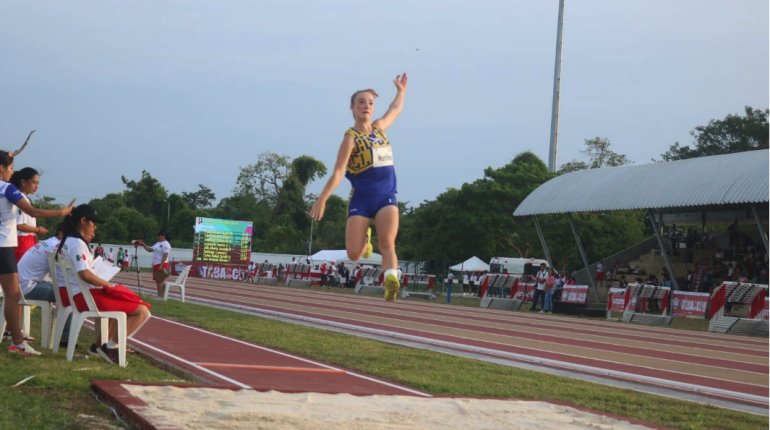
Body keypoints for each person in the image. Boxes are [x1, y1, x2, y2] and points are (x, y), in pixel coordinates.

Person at [310, 73, 409, 302]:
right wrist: (322, 198)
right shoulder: (350, 138)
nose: (366, 106)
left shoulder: (380, 128)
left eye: (370, 103)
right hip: (362, 200)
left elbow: (395, 110)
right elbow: (338, 172)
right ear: (352, 108)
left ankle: (391, 280)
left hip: (386, 196)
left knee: (387, 242)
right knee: (353, 254)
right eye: (361, 102)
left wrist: (401, 92)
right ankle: (365, 242)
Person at [55, 204, 151, 364]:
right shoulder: (77, 244)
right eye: (93, 223)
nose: (95, 228)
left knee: (119, 305)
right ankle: (111, 347)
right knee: (142, 310)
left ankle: (98, 346)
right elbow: (84, 274)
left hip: (69, 293)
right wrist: (107, 285)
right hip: (81, 295)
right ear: (83, 221)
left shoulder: (66, 241)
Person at [0, 151, 73, 355]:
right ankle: (16, 342)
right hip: (4, 247)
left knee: (11, 295)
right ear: (1, 168)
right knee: (13, 295)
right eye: (11, 168)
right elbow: (32, 212)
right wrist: (61, 212)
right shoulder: (8, 189)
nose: (12, 172)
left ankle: (16, 339)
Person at [17, 224, 72, 345]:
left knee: (65, 292)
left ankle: (63, 335)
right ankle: (65, 337)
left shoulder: (48, 243)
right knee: (69, 294)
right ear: (60, 234)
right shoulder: (55, 246)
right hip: (28, 287)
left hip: (21, 284)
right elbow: (61, 275)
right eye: (70, 237)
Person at [11, 167, 48, 261]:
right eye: (34, 182)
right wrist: (38, 230)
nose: (36, 186)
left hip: (28, 241)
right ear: (23, 182)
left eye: (37, 183)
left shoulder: (25, 199)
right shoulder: (19, 199)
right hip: (22, 242)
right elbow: (19, 226)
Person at [136, 231, 172, 297]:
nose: (158, 237)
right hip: (156, 264)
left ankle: (161, 296)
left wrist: (161, 265)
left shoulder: (166, 244)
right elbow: (150, 249)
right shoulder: (157, 243)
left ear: (163, 236)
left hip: (162, 264)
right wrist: (143, 244)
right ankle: (160, 295)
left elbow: (165, 254)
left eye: (159, 235)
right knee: (157, 280)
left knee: (160, 280)